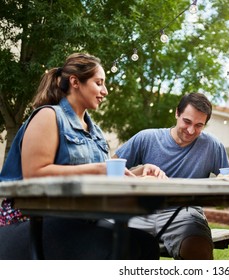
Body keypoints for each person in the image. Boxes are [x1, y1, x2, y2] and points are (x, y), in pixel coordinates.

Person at [0, 53, 163, 259]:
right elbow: (34, 174)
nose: (105, 91)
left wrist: (136, 172)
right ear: (75, 82)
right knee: (121, 249)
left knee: (146, 244)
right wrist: (100, 169)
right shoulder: (48, 116)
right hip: (30, 222)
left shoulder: (94, 130)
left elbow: (104, 173)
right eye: (99, 83)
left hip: (76, 221)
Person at [113, 92, 229, 259]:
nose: (191, 130)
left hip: (185, 214)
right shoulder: (146, 138)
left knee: (198, 248)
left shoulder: (212, 145)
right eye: (187, 121)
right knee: (108, 242)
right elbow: (109, 171)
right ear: (177, 113)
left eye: (199, 125)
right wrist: (139, 173)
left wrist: (226, 179)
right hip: (140, 212)